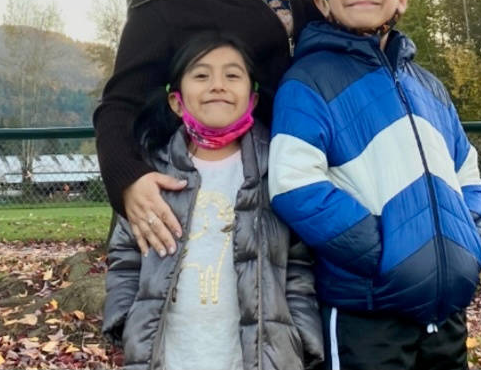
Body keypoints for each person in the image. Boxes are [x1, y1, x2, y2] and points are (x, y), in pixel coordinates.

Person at [268, 0, 481, 370]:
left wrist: (471, 245)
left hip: (444, 310)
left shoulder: (428, 86)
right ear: (323, 3)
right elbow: (294, 184)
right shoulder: (308, 82)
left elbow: (466, 170)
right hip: (365, 312)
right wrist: (384, 253)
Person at [94, 0, 321, 258]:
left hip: (338, 177)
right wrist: (129, 180)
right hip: (249, 201)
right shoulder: (164, 0)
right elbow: (119, 107)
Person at [103, 31, 323, 370]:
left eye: (232, 75)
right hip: (168, 356)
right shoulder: (151, 174)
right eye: (201, 75)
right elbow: (125, 256)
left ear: (252, 96)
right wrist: (124, 320)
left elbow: (298, 264)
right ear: (176, 100)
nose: (217, 85)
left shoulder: (277, 170)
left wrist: (300, 338)